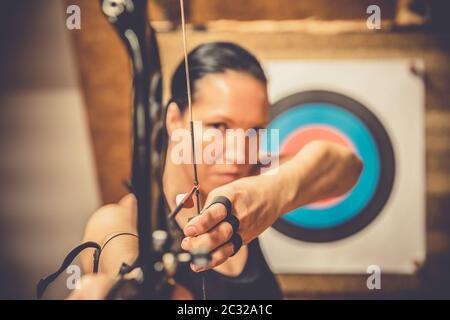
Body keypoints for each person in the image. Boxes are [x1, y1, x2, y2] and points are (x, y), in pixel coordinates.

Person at [71, 42, 363, 300]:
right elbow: (120, 262)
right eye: (219, 126)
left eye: (255, 130)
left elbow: (346, 165)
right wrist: (131, 287)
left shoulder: (251, 185)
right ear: (174, 119)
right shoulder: (122, 221)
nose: (239, 154)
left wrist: (273, 194)